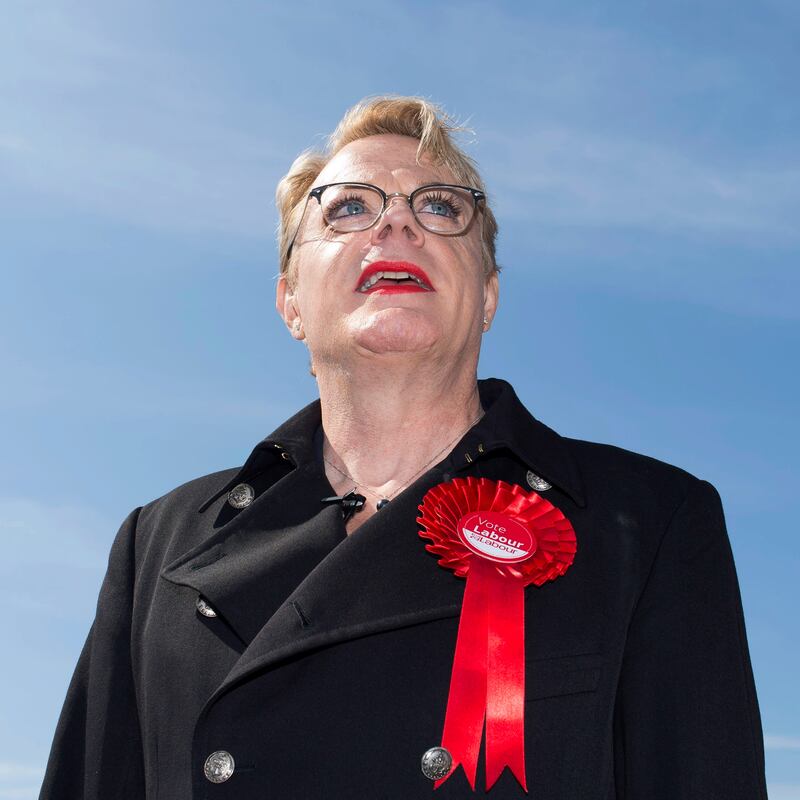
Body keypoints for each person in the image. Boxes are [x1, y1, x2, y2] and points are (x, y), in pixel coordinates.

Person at [39, 95, 768, 799]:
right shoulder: (157, 546)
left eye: (441, 207)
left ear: (487, 296)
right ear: (290, 300)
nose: (397, 224)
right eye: (349, 207)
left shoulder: (652, 524)